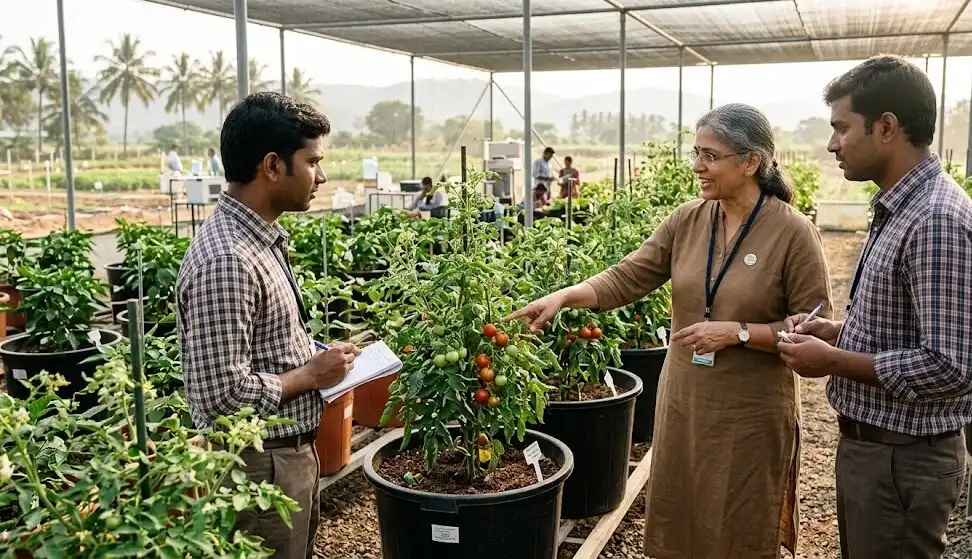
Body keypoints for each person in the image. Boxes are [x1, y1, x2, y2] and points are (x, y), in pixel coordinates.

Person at [506, 103, 832, 558]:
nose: (697, 166)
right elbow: (627, 276)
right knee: (682, 510)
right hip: (685, 397)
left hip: (750, 411)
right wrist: (563, 297)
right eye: (696, 152)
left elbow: (814, 328)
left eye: (710, 155)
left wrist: (738, 332)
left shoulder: (792, 233)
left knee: (740, 517)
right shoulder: (689, 219)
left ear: (751, 162)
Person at [779, 55, 972, 559]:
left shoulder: (935, 221)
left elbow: (951, 367)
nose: (832, 143)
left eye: (842, 128)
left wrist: (834, 363)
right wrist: (835, 333)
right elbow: (907, 329)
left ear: (886, 127)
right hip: (880, 454)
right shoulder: (899, 206)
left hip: (902, 462)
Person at [176, 91, 361, 559]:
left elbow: (264, 342)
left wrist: (316, 356)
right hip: (258, 467)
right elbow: (219, 394)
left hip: (285, 456)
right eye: (312, 161)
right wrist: (309, 375)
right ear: (273, 166)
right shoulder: (228, 260)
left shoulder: (257, 239)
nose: (322, 175)